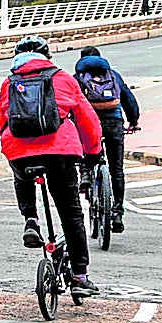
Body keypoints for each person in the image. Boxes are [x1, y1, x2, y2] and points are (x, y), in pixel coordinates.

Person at [0, 37, 105, 297]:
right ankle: (80, 276)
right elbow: (87, 119)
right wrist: (92, 153)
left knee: (21, 176)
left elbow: (2, 121)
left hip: (20, 149)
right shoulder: (64, 78)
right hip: (60, 151)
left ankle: (30, 220)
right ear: (47, 56)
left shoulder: (9, 82)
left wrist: (12, 150)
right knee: (70, 213)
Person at [70, 45, 139, 233]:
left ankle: (85, 174)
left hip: (88, 123)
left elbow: (70, 102)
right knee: (116, 168)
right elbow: (129, 100)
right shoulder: (113, 75)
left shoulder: (77, 78)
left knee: (87, 147)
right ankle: (117, 212)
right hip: (114, 123)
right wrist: (133, 121)